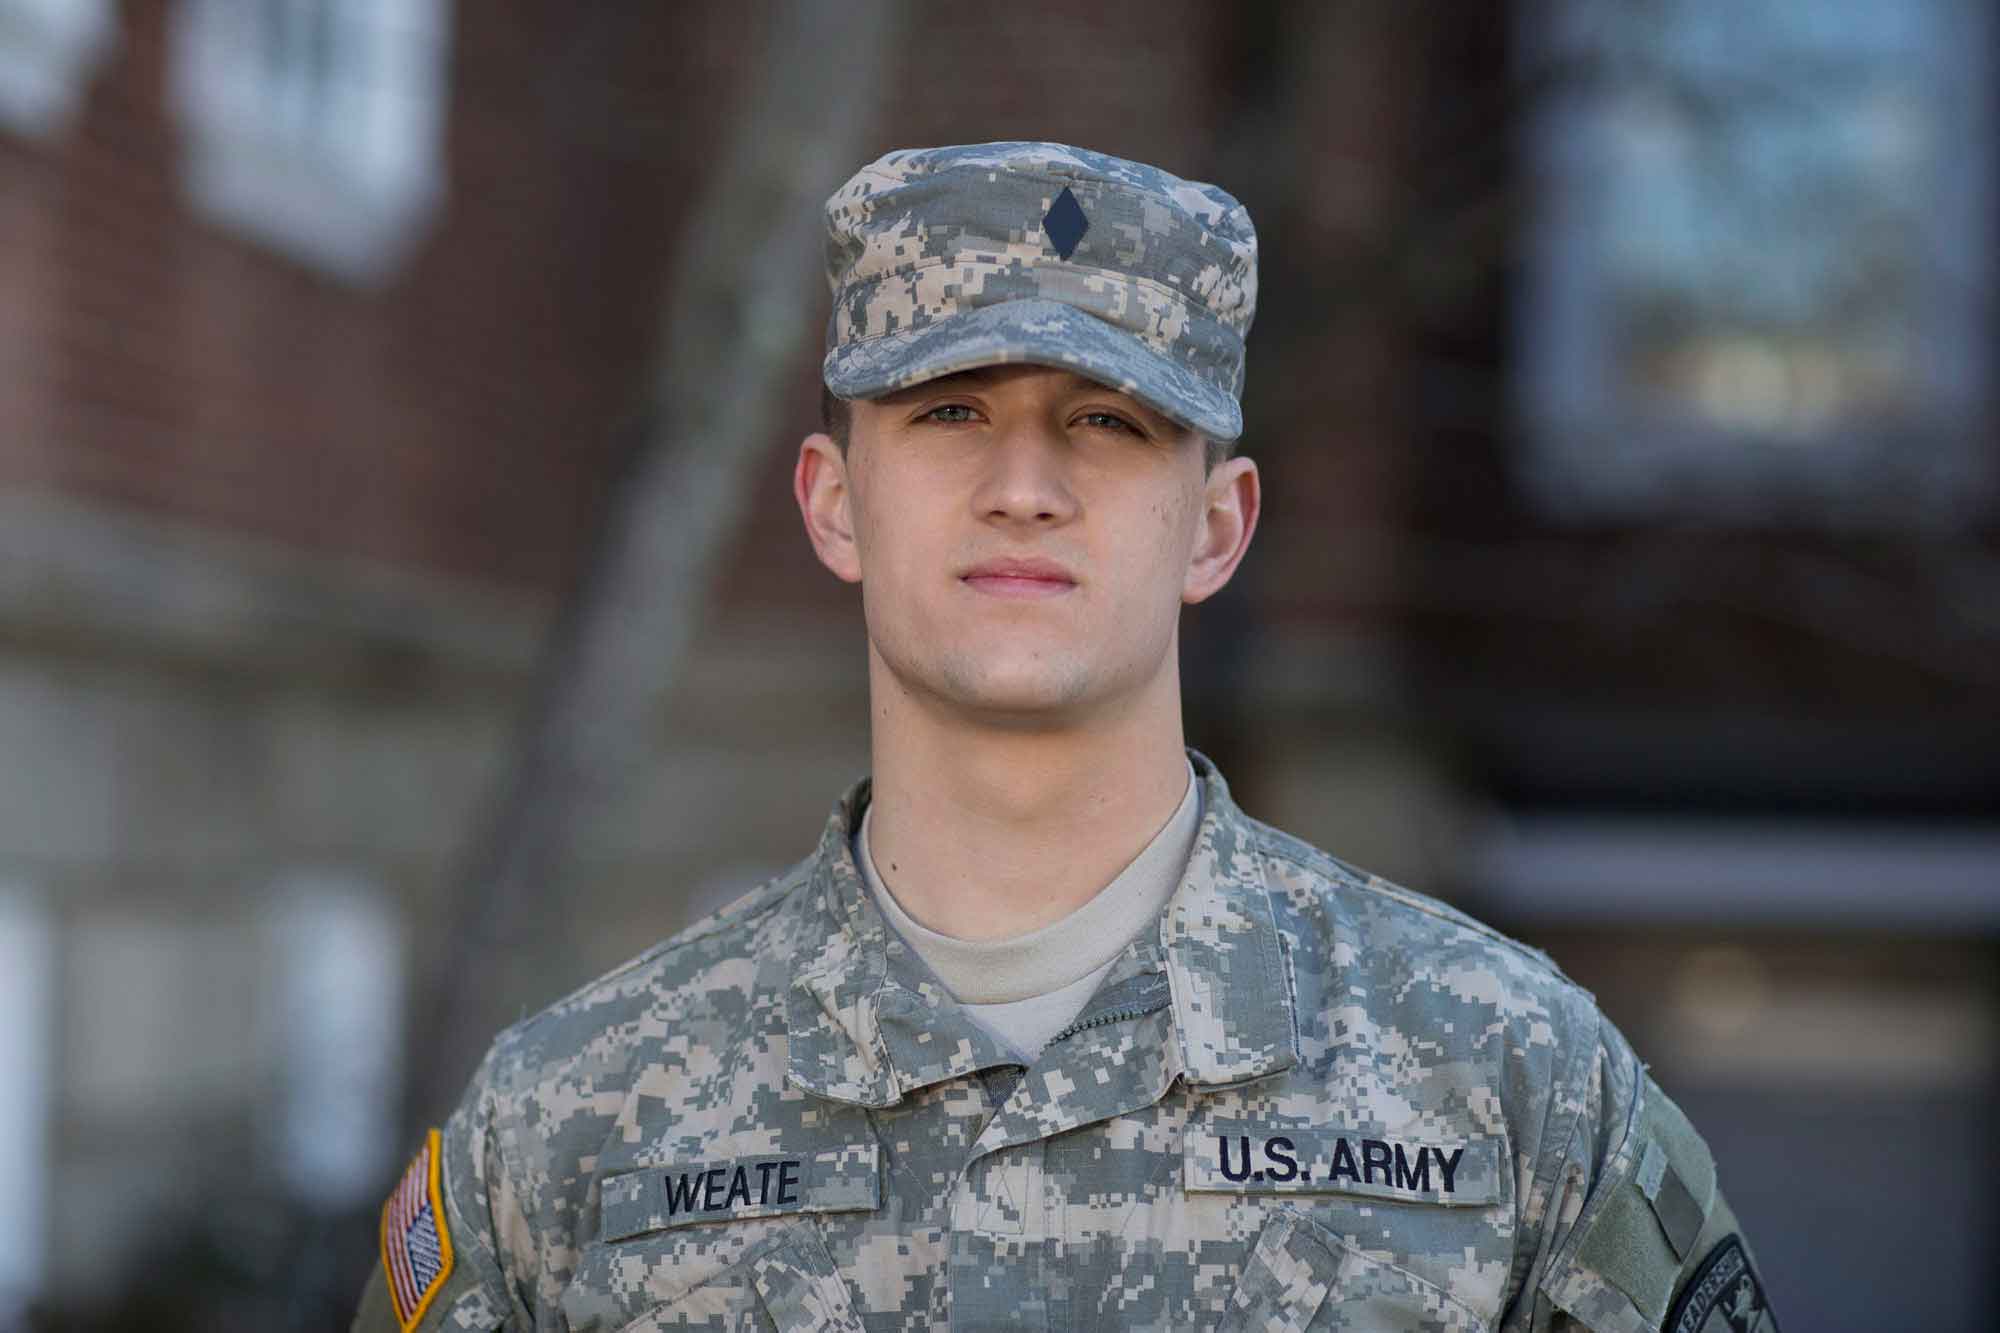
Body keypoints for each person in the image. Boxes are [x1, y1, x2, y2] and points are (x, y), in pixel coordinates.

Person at [352, 142, 1777, 1333]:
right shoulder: (567, 1127)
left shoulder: (1511, 1084)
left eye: (1106, 418)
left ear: (1217, 526)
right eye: (951, 408)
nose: (1024, 483)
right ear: (834, 500)